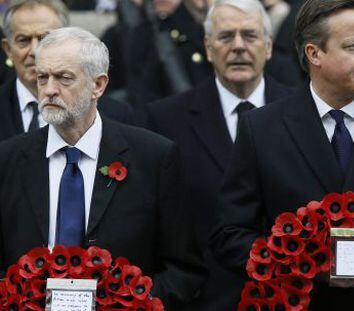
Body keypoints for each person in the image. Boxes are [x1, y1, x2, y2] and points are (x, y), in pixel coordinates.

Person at [210, 0, 354, 310]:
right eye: (353, 46)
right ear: (314, 53)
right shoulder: (262, 129)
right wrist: (297, 261)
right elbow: (230, 234)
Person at [0, 27, 206, 310]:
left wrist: (133, 304)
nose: (48, 90)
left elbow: (184, 270)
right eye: (42, 77)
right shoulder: (8, 159)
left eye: (63, 78)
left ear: (98, 85)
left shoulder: (154, 157)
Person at [146, 0, 294, 309]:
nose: (238, 46)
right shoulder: (165, 120)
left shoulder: (302, 112)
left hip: (290, 296)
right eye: (226, 37)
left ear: (268, 47)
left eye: (250, 36)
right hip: (202, 298)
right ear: (208, 48)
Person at [0, 0, 135, 142]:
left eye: (45, 39)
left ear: (66, 40)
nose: (35, 51)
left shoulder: (115, 114)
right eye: (23, 40)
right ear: (8, 49)